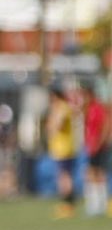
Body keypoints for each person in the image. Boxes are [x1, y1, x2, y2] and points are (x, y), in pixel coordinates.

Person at [44, 82, 79, 213]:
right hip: (59, 148)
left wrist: (52, 124)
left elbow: (58, 126)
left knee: (65, 177)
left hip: (64, 148)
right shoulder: (57, 108)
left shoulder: (63, 108)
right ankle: (66, 203)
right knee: (62, 176)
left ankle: (68, 204)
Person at [80, 84, 112, 216]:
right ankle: (94, 204)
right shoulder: (88, 108)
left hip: (99, 147)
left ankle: (100, 204)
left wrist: (100, 142)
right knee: (91, 174)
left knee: (98, 174)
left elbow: (105, 125)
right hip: (91, 146)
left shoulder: (98, 108)